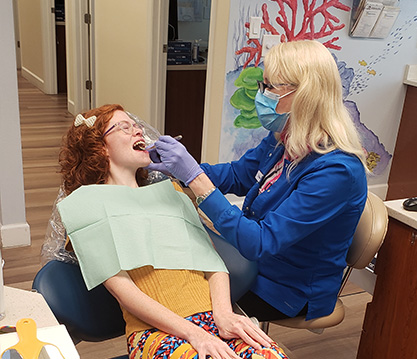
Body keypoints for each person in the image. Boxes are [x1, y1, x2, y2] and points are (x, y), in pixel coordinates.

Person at [147, 40, 368, 323]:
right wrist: (179, 167)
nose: (261, 95)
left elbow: (260, 242)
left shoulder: (337, 172)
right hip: (255, 261)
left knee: (182, 294)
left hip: (287, 289)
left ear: (306, 95)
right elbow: (239, 175)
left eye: (270, 87)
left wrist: (195, 178)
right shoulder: (286, 138)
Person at [57, 104, 288, 359]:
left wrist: (224, 316)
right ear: (99, 147)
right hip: (154, 331)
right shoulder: (86, 208)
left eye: (136, 126)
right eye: (124, 127)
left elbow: (212, 263)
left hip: (213, 317)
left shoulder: (173, 194)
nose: (137, 132)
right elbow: (124, 291)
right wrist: (195, 334)